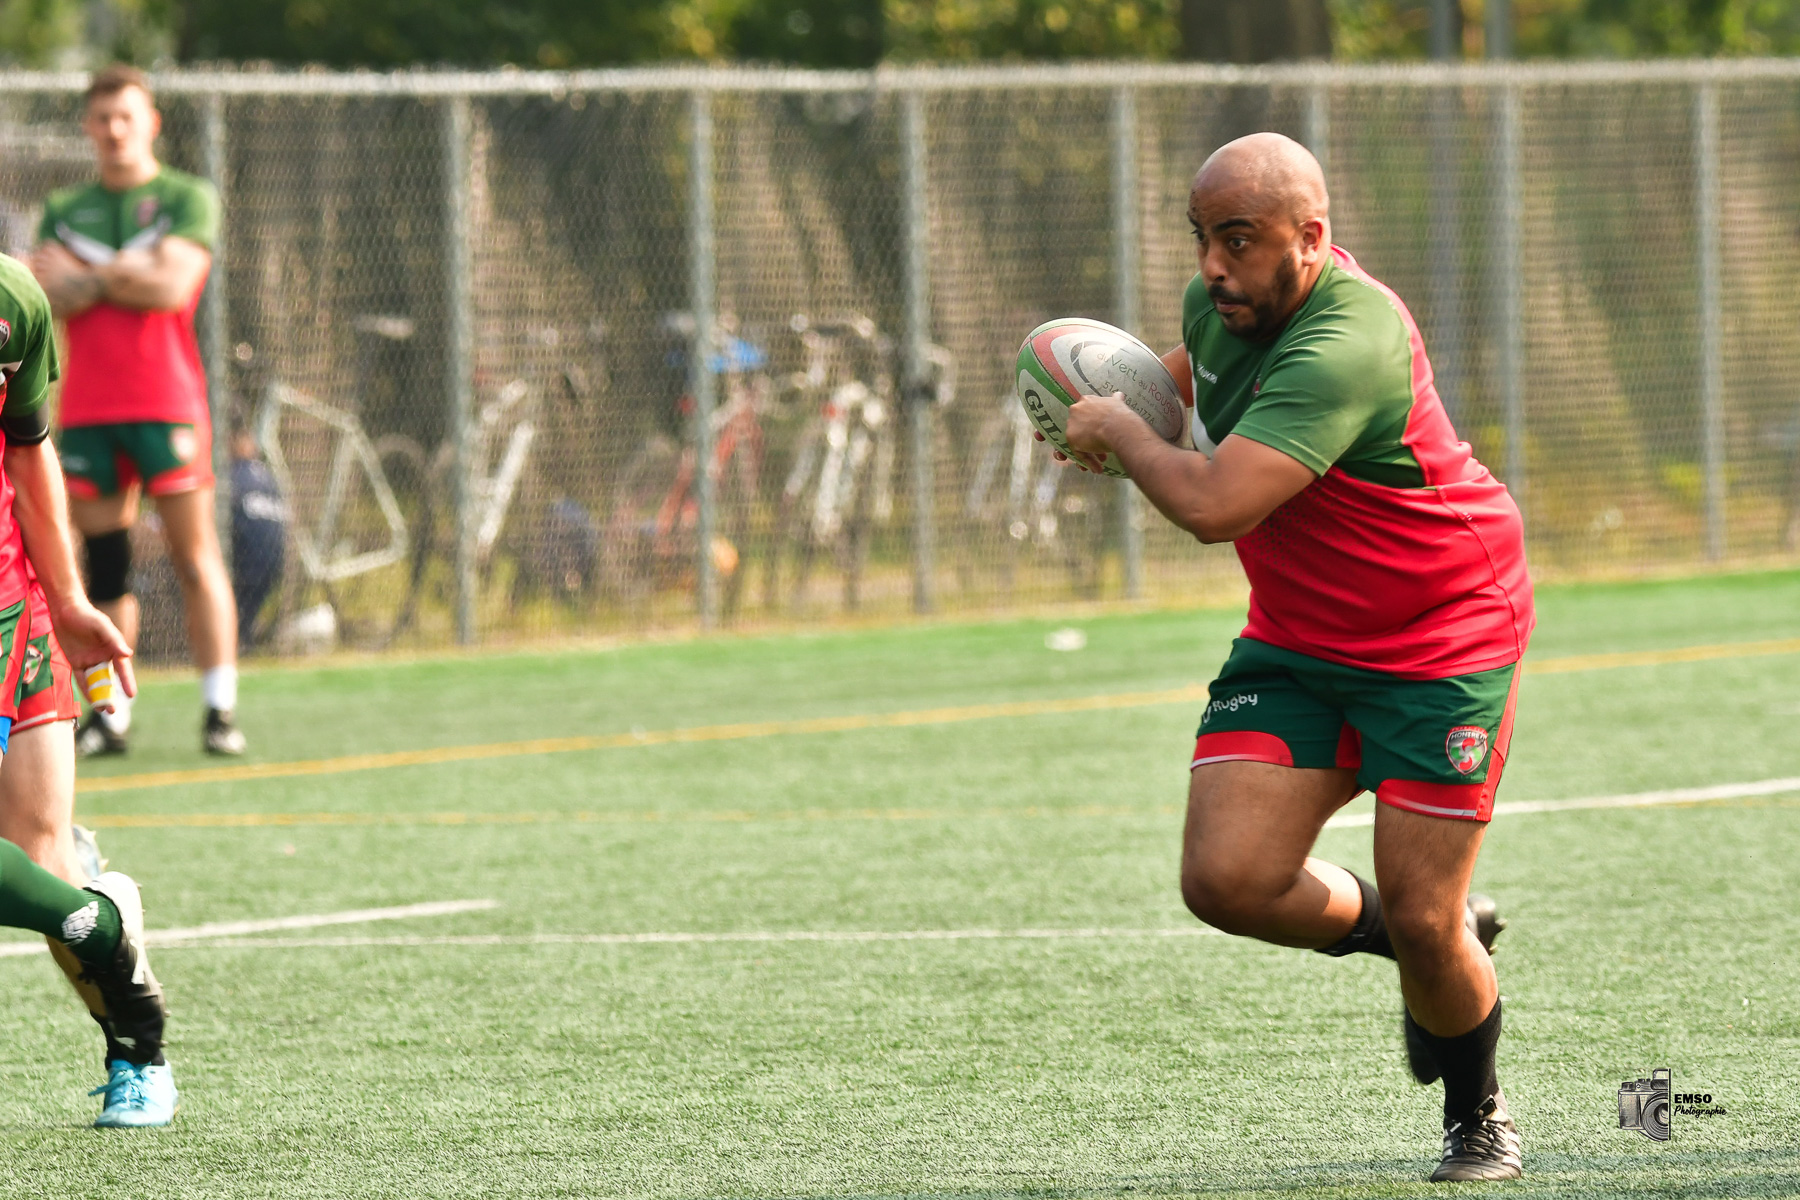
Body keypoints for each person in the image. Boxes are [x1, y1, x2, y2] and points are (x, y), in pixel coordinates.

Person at [1053, 134, 1533, 1181]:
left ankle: (1477, 1109)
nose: (1214, 266)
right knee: (1226, 881)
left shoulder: (1347, 340)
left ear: (1310, 239)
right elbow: (1183, 383)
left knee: (1422, 909)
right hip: (1301, 634)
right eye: (1202, 239)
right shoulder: (1217, 305)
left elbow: (1215, 505)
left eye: (1239, 240)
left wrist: (1125, 439)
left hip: (1438, 634)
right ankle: (1432, 942)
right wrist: (1112, 406)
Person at [0, 250, 175, 1125]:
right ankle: (97, 923)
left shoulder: (13, 298)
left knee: (40, 861)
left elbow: (28, 453)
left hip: (8, 615)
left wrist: (66, 599)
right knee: (42, 878)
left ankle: (136, 1053)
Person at [29, 63, 244, 758]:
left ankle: (219, 711)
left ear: (151, 121)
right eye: (102, 119)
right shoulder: (65, 205)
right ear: (88, 128)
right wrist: (129, 270)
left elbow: (172, 287)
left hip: (166, 402)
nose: (115, 130)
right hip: (88, 405)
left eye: (127, 116)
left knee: (193, 558)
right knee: (107, 561)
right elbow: (46, 291)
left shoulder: (186, 197)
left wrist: (90, 276)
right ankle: (110, 717)